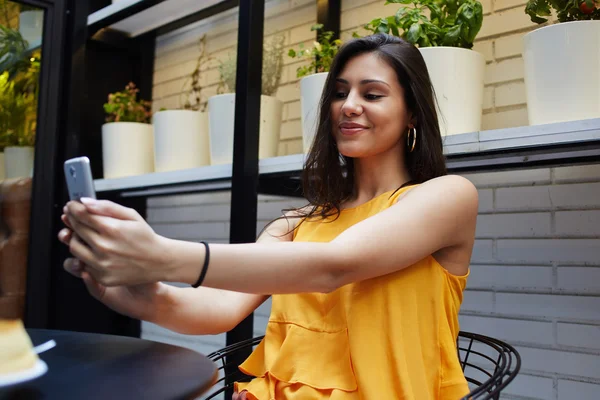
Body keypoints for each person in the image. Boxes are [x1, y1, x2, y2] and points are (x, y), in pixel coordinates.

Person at [58, 33, 478, 400]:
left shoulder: (447, 197)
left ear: (413, 113)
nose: (348, 106)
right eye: (338, 92)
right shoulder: (296, 223)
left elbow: (333, 265)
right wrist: (139, 293)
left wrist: (160, 254)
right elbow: (219, 308)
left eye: (371, 94)